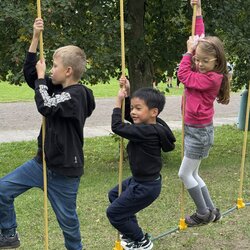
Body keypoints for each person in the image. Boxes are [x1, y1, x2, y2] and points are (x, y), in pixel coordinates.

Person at [0, 18, 95, 250]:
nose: (50, 70)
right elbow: (31, 76)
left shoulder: (77, 95)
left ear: (68, 71)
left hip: (64, 172)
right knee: (2, 190)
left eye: (54, 66)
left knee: (68, 223)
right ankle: (9, 234)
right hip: (40, 164)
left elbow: (47, 105)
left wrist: (43, 79)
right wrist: (34, 38)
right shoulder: (58, 89)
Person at [106, 77, 176, 250]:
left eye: (138, 108)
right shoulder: (155, 126)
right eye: (132, 108)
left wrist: (118, 101)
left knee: (114, 213)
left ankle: (141, 240)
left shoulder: (146, 132)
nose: (133, 112)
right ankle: (131, 233)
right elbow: (132, 120)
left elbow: (117, 126)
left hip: (145, 186)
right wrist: (128, 94)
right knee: (114, 194)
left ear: (153, 112)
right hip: (141, 181)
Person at [177, 0, 230, 227]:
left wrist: (188, 54)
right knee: (195, 174)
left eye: (204, 61)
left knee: (184, 175)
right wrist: (197, 11)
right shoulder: (208, 67)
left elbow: (183, 75)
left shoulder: (211, 78)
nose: (199, 63)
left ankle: (202, 213)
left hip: (199, 132)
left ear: (217, 61)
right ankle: (212, 211)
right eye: (197, 59)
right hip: (196, 129)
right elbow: (200, 35)